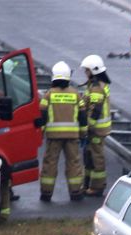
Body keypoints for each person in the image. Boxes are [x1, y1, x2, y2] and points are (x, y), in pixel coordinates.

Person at [37, 61, 86, 202]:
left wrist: (40, 133)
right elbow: (82, 117)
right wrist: (83, 134)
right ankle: (75, 192)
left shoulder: (48, 95)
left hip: (53, 137)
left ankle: (46, 193)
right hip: (72, 137)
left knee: (50, 164)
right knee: (74, 163)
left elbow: (42, 116)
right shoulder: (76, 95)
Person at [79, 54, 113, 196]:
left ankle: (98, 187)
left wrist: (88, 127)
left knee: (96, 157)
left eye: (87, 70)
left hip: (97, 129)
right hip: (96, 128)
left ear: (93, 70)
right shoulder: (95, 85)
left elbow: (96, 109)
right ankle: (87, 184)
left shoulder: (96, 87)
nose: (85, 73)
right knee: (89, 156)